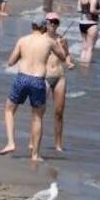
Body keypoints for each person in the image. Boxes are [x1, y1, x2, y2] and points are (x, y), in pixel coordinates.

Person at [0, 20, 67, 161]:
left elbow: (11, 61)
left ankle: (11, 142)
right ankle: (35, 154)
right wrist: (59, 44)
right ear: (43, 28)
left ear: (32, 27)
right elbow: (63, 57)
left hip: (22, 78)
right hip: (38, 80)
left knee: (9, 110)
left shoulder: (22, 40)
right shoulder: (49, 41)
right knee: (37, 117)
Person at [44, 13, 74, 152]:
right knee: (39, 110)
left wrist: (69, 63)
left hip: (59, 76)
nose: (53, 24)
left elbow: (66, 56)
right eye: (50, 22)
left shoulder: (62, 39)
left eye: (56, 22)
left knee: (59, 112)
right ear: (46, 23)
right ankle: (33, 141)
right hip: (43, 76)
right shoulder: (41, 39)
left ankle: (58, 144)